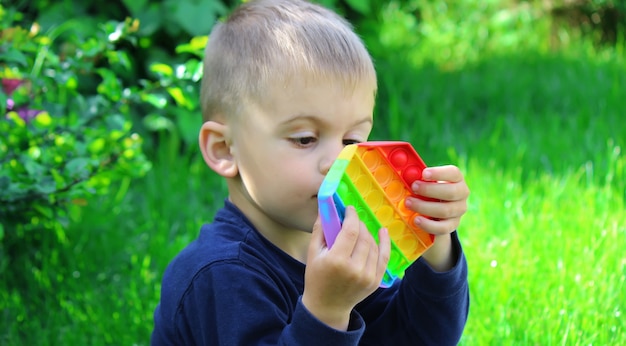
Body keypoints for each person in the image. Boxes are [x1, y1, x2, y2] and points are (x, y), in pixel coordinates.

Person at [151, 0, 470, 345]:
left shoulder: (345, 244)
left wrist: (435, 244)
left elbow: (420, 338)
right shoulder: (219, 275)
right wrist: (327, 311)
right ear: (225, 149)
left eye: (352, 139)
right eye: (305, 139)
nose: (338, 160)